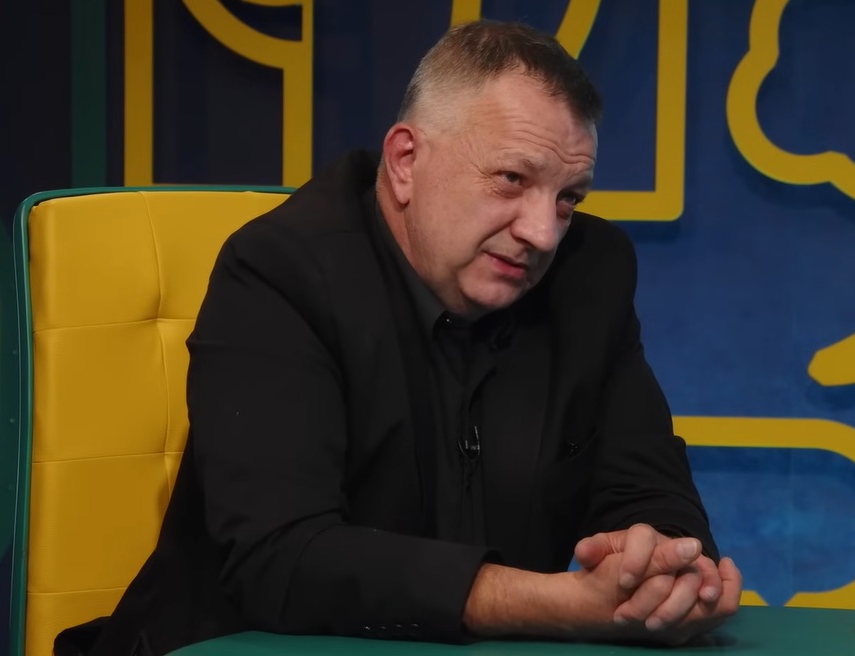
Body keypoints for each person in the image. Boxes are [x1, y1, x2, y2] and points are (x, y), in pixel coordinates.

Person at [68, 19, 741, 656]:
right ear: (405, 160)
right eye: (512, 179)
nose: (543, 232)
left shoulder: (589, 276)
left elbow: (644, 484)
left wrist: (662, 567)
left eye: (568, 198)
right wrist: (551, 603)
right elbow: (282, 558)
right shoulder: (279, 273)